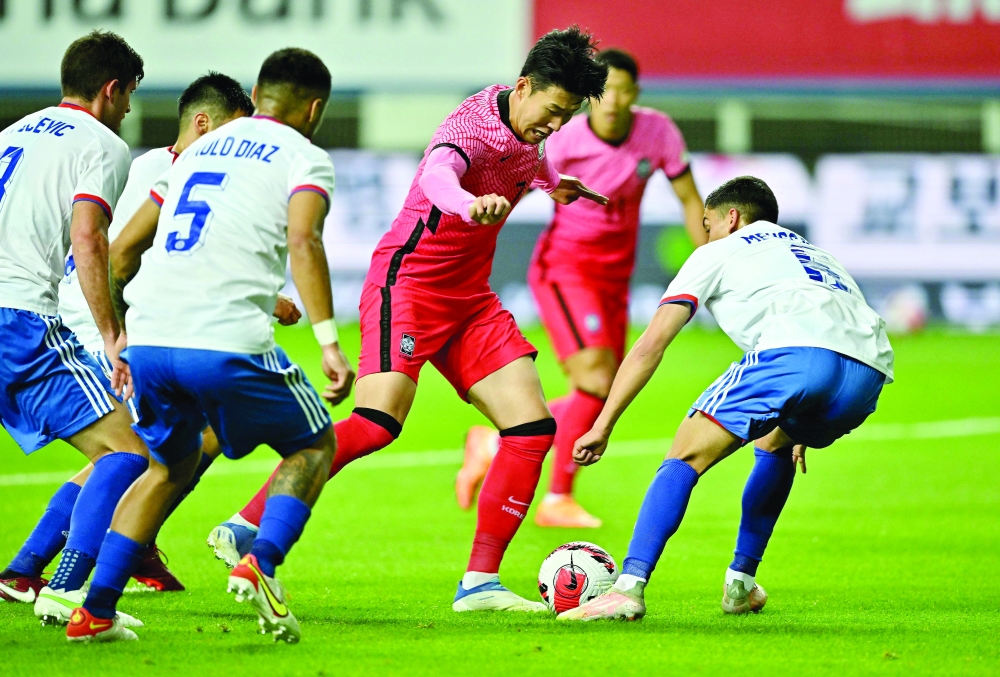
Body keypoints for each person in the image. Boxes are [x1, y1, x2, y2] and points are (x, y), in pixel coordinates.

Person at [208, 26, 609, 613]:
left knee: (530, 430)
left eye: (567, 116)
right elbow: (439, 177)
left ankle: (480, 584)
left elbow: (524, 164)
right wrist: (468, 205)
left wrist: (552, 183)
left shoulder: (530, 129)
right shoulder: (471, 127)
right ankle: (247, 523)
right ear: (524, 87)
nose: (556, 125)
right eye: (553, 111)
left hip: (469, 299)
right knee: (375, 423)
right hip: (409, 283)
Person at [65, 48, 354, 643]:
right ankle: (262, 559)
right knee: (314, 444)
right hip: (225, 342)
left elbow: (121, 253)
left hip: (150, 342)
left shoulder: (198, 149)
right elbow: (304, 240)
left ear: (257, 90)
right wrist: (328, 340)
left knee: (167, 467)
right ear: (315, 107)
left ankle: (93, 611)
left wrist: (118, 336)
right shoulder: (305, 157)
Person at [557, 176, 894, 621]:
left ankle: (628, 588)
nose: (706, 233)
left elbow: (652, 343)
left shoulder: (718, 250)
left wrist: (603, 424)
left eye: (708, 223)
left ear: (731, 218)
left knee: (683, 457)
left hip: (795, 353)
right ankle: (741, 583)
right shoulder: (814, 253)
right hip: (867, 374)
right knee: (775, 442)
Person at [0, 72, 261, 601]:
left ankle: (42, 565)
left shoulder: (168, 167)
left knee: (167, 440)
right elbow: (120, 253)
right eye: (232, 131)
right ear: (203, 122)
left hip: (113, 318)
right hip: (98, 320)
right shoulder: (155, 168)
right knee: (137, 448)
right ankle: (76, 576)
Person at [457, 48, 707, 528]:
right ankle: (556, 498)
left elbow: (690, 199)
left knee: (603, 388)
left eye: (624, 90)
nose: (613, 101)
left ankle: (491, 442)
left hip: (615, 279)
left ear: (636, 95)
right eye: (606, 89)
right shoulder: (564, 136)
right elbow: (514, 183)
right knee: (594, 382)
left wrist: (714, 264)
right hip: (566, 270)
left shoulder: (658, 133)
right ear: (593, 95)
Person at [0, 31, 152, 626]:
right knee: (124, 451)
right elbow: (90, 239)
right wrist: (112, 333)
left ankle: (23, 571)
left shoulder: (11, 132)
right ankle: (67, 590)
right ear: (111, 90)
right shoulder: (102, 144)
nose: (131, 109)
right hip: (20, 318)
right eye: (130, 95)